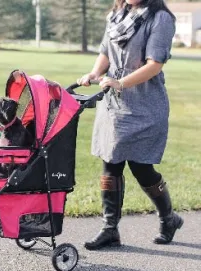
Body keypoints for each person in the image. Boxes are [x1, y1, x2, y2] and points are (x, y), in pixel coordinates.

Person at [77, 0, 183, 250]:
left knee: (142, 168)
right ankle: (109, 229)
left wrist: (120, 82)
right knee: (109, 163)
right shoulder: (118, 13)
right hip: (114, 105)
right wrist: (94, 73)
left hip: (145, 105)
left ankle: (169, 219)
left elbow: (154, 65)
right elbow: (105, 50)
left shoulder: (160, 19)